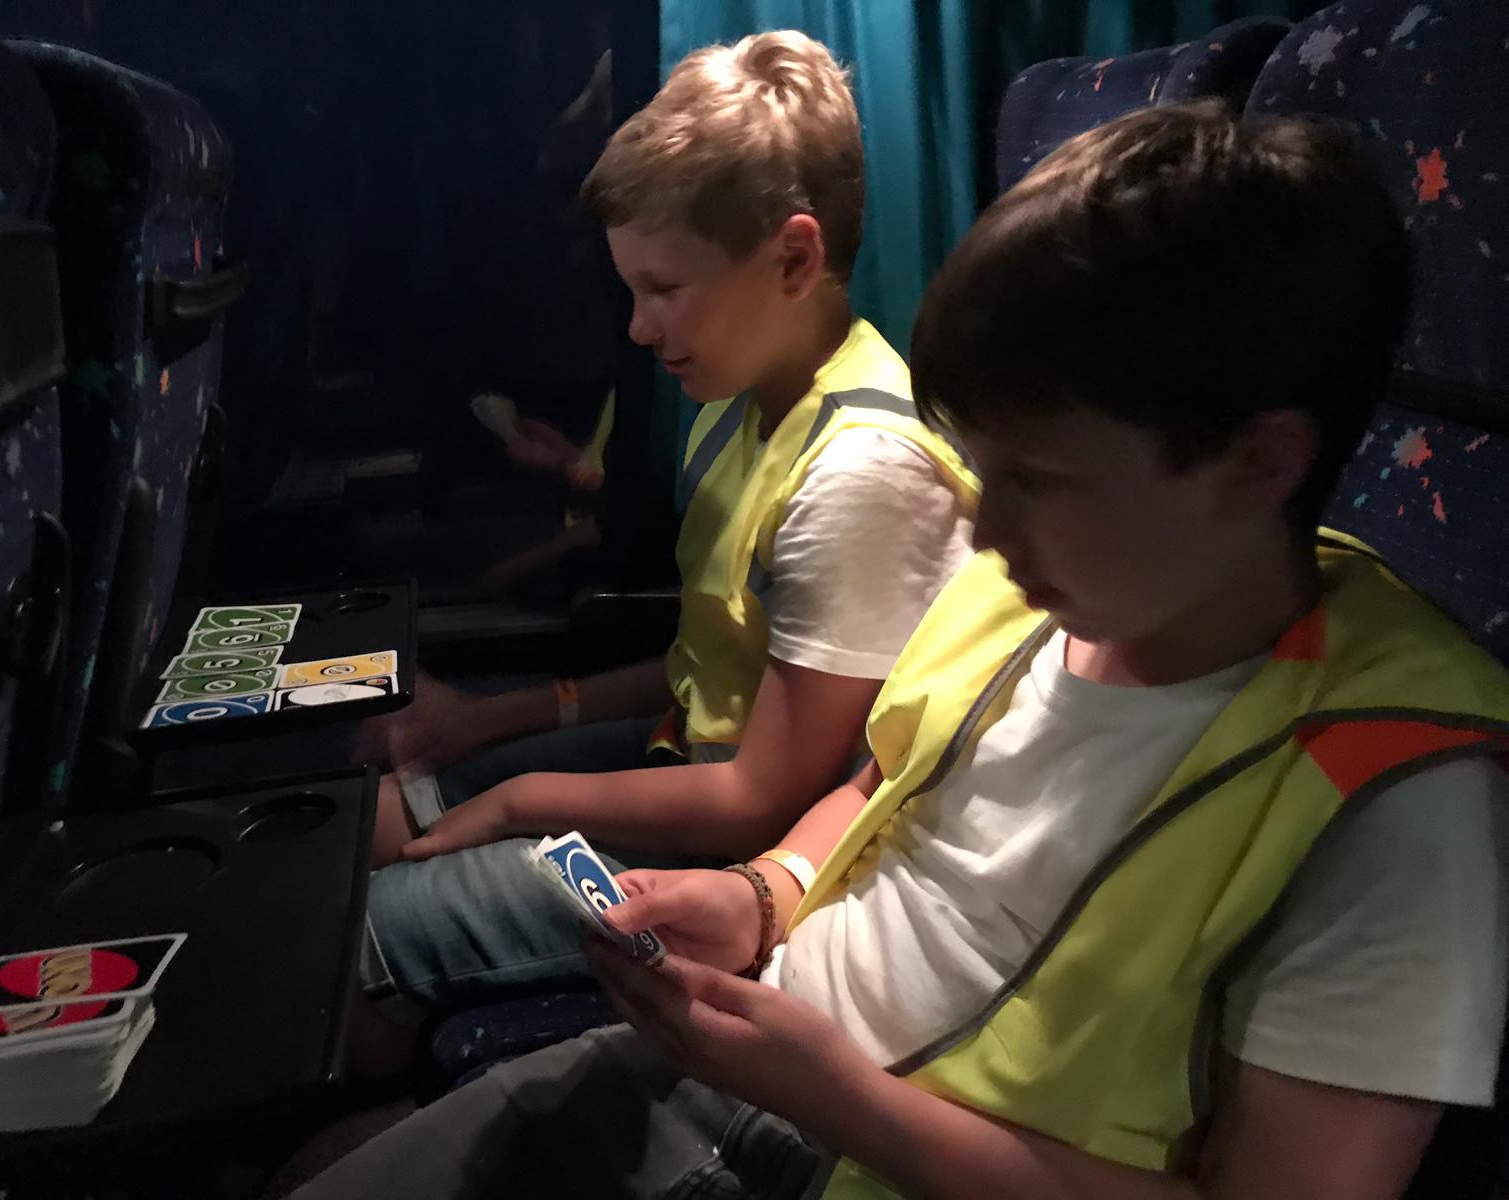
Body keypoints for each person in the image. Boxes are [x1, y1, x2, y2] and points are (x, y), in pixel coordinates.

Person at [294, 102, 1509, 1198]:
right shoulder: (1043, 591)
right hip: (756, 1052)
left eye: (1037, 480)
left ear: (1257, 465)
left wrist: (833, 1096)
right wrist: (761, 897)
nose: (980, 526)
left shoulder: (1390, 801)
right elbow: (885, 783)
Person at [353, 30, 980, 1060]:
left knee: (361, 933)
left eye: (664, 289)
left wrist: (518, 800)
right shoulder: (735, 407)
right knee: (377, 816)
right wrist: (501, 717)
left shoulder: (861, 474)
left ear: (794, 258)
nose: (639, 328)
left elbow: (762, 800)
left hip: (746, 857)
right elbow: (713, 667)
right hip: (684, 760)